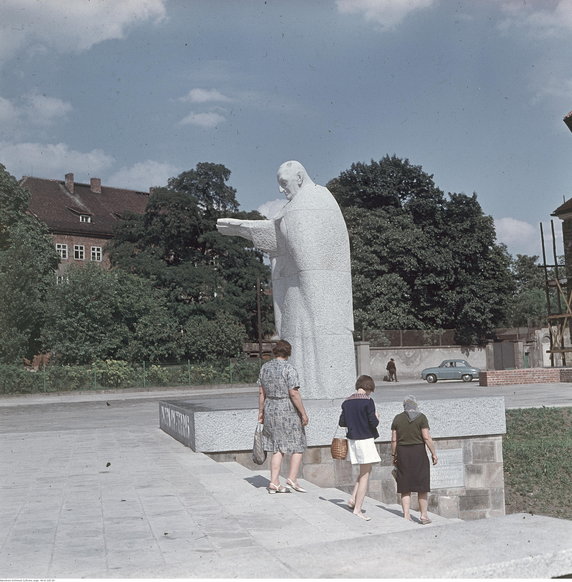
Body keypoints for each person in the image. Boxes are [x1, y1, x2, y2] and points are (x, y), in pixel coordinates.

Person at [217, 161, 355, 400]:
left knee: (317, 341)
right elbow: (282, 237)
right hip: (297, 289)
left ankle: (320, 390)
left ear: (300, 177)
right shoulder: (296, 205)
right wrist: (244, 228)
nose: (281, 190)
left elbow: (309, 246)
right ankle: (302, 391)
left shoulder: (318, 199)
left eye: (284, 183)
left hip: (318, 291)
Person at [258, 339, 309, 494]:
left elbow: (261, 392)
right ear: (288, 353)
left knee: (277, 447)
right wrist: (303, 413)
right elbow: (293, 393)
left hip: (270, 407)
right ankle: (292, 478)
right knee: (299, 442)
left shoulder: (265, 368)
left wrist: (261, 412)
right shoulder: (289, 368)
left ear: (275, 352)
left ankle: (274, 482)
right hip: (286, 409)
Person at [338, 375, 380, 521]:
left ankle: (352, 499)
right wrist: (377, 416)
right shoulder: (368, 402)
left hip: (353, 441)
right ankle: (357, 509)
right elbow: (373, 423)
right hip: (365, 440)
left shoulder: (347, 402)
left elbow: (342, 422)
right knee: (365, 476)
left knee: (365, 470)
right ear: (368, 387)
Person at [391, 396, 438, 524]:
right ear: (415, 405)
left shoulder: (397, 418)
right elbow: (426, 437)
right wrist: (433, 453)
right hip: (418, 453)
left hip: (402, 453)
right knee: (422, 486)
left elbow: (394, 440)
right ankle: (423, 516)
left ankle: (406, 515)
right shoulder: (421, 417)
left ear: (404, 406)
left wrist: (393, 455)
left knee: (405, 486)